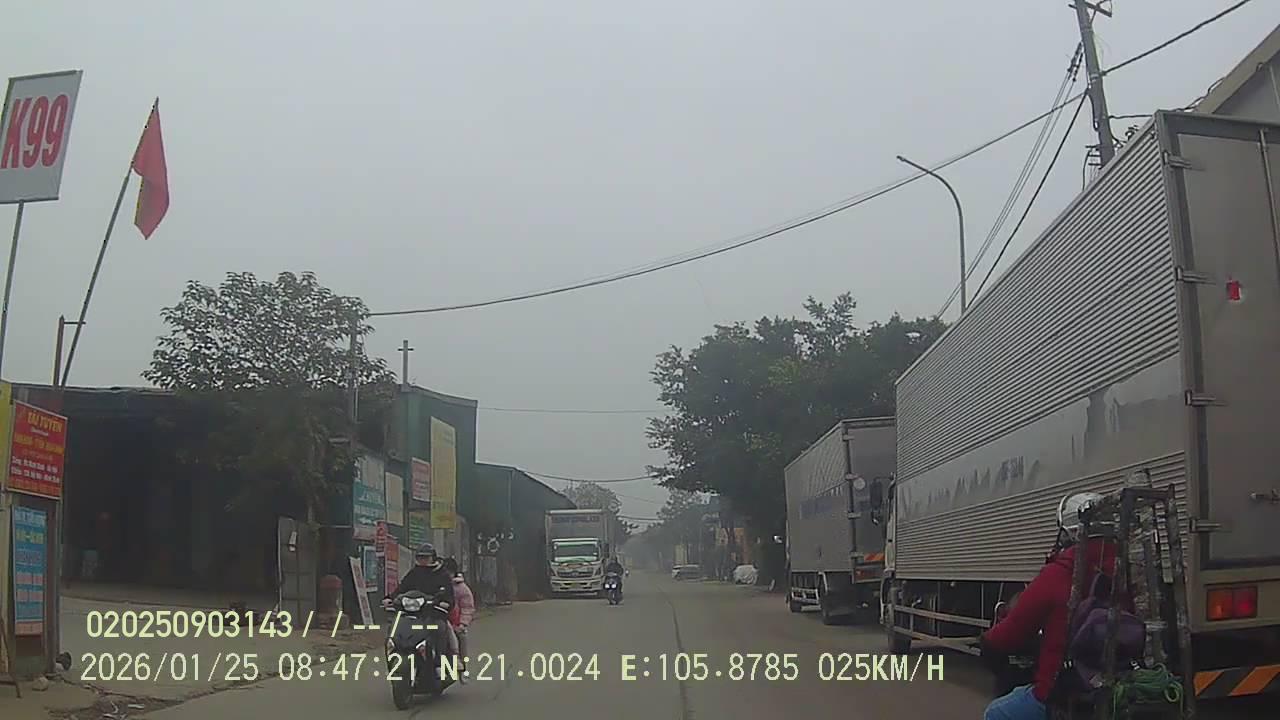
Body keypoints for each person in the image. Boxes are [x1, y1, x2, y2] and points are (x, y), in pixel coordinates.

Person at [978, 492, 1118, 720]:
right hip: (1122, 692)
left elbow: (1009, 633)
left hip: (1067, 694)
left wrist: (987, 642)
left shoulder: (1060, 572)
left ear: (1068, 532)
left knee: (996, 713)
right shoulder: (1130, 569)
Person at [384, 544, 457, 660]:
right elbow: (402, 588)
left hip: (433, 614)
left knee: (441, 627)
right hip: (411, 614)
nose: (423, 560)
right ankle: (394, 654)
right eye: (420, 557)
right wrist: (390, 598)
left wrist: (445, 602)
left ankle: (441, 660)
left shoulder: (442, 574)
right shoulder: (414, 573)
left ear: (433, 558)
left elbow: (449, 595)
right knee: (394, 627)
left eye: (426, 557)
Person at [443, 558, 476, 681]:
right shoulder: (437, 584)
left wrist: (463, 623)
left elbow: (467, 607)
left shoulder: (461, 588)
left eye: (449, 572)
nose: (447, 575)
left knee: (461, 636)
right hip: (437, 619)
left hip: (455, 622)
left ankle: (462, 666)